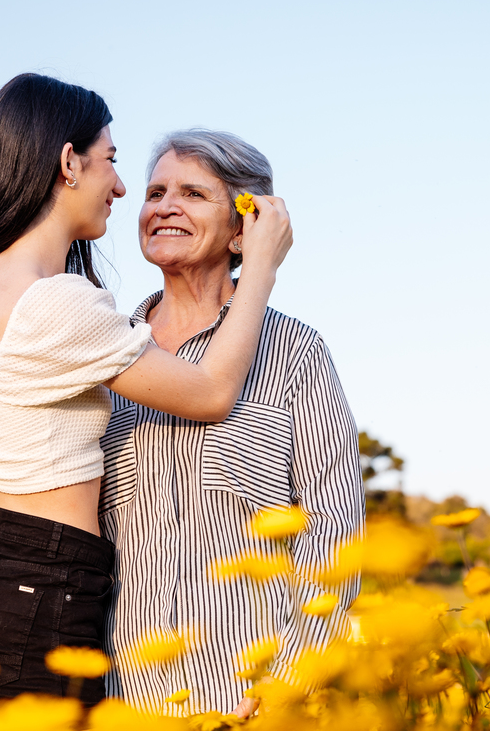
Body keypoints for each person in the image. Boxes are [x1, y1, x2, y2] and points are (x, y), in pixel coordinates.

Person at [0, 76, 292, 721]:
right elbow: (211, 391)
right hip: (46, 597)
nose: (118, 186)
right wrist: (261, 272)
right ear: (68, 163)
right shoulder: (58, 302)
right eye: (111, 161)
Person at [98, 129, 363, 716]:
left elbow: (334, 536)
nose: (164, 206)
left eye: (193, 193)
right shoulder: (104, 353)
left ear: (245, 229)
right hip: (127, 707)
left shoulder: (294, 351)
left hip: (250, 700)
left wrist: (286, 688)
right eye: (155, 191)